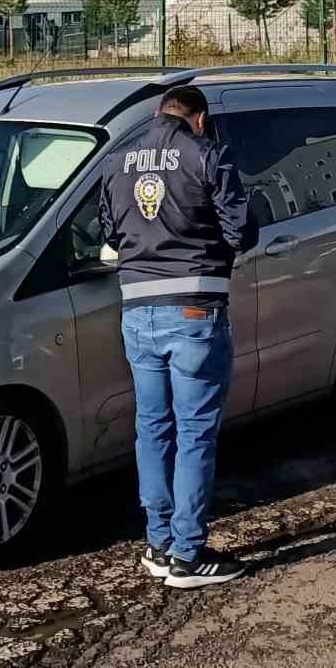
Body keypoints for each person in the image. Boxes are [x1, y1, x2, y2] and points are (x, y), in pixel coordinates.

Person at [100, 86, 253, 589]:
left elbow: (108, 231)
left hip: (136, 311)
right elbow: (242, 233)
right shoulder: (207, 154)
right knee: (194, 432)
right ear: (200, 119)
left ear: (158, 113)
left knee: (152, 428)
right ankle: (188, 556)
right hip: (194, 310)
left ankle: (158, 542)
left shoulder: (118, 159)